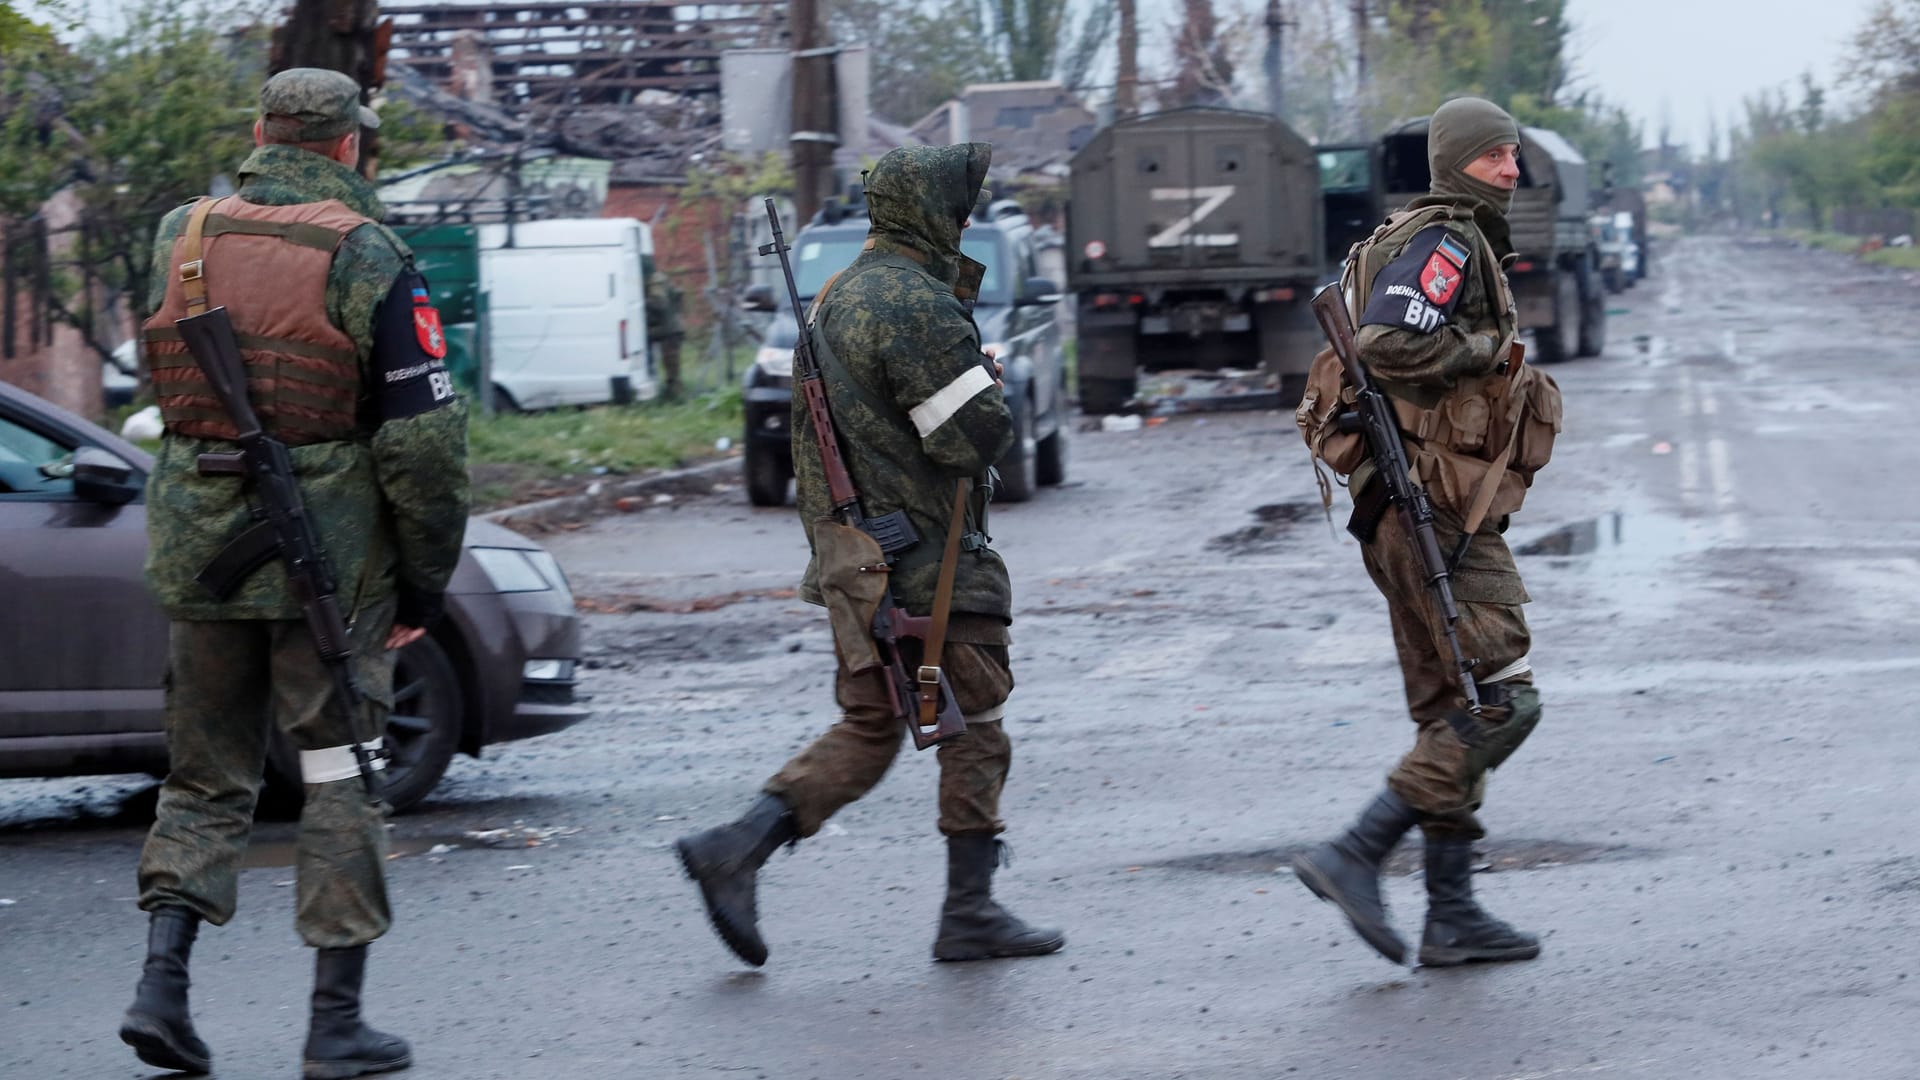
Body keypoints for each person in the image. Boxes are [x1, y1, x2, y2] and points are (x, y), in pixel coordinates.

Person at [120, 68, 470, 1077]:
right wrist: (425, 579)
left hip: (201, 550)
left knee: (203, 775)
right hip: (332, 563)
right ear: (351, 147)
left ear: (258, 132)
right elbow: (423, 444)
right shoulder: (370, 252)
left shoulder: (180, 234)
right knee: (338, 773)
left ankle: (160, 988)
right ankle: (334, 1024)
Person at [675, 144, 1064, 967]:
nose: (963, 219)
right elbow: (972, 436)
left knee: (875, 719)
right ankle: (971, 912)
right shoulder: (911, 302)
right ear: (929, 211)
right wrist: (985, 381)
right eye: (957, 206)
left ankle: (737, 845)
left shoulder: (841, 294)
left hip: (859, 561)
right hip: (931, 558)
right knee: (977, 728)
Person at [1292, 97, 1561, 968]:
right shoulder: (1446, 241)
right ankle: (1358, 850)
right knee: (1502, 699)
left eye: (1515, 156)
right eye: (1494, 158)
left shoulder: (1415, 233)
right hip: (1434, 509)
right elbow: (1388, 345)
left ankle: (1451, 914)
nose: (1511, 171)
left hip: (1401, 507)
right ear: (1456, 163)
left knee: (1450, 707)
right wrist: (1485, 354)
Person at [645, 270, 686, 399]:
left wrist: (646, 303)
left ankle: (675, 394)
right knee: (672, 365)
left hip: (670, 333)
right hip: (674, 331)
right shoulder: (672, 291)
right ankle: (674, 391)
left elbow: (661, 306)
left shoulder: (659, 293)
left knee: (671, 365)